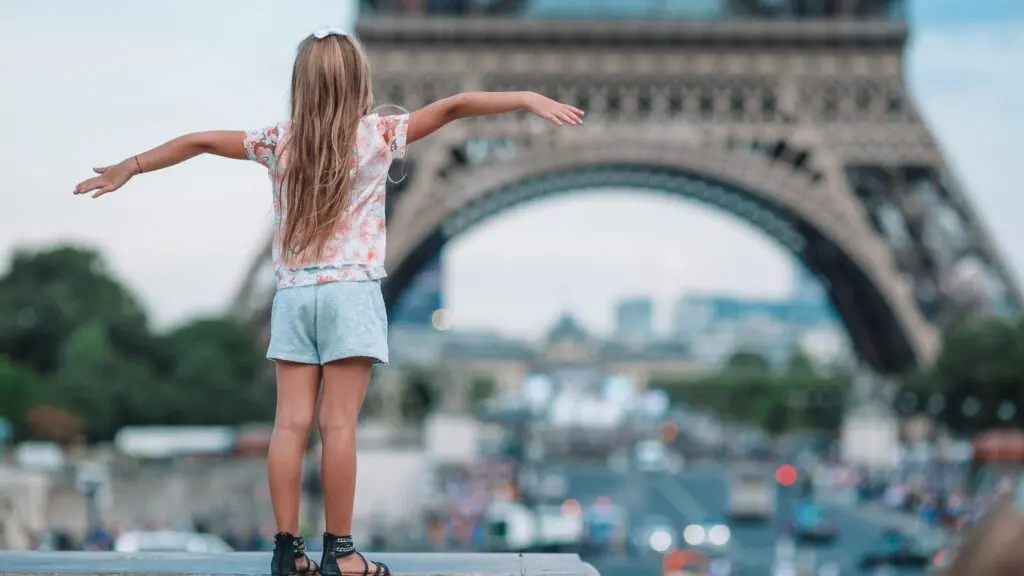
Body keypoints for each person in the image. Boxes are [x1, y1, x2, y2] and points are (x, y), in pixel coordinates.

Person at [73, 28, 583, 576]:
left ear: (302, 85)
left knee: (289, 426)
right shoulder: (379, 134)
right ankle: (341, 553)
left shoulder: (278, 140)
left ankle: (287, 551)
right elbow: (457, 105)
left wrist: (132, 165)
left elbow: (197, 141)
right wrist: (528, 98)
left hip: (293, 296)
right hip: (352, 295)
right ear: (359, 81)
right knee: (337, 427)